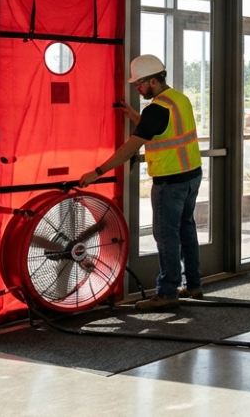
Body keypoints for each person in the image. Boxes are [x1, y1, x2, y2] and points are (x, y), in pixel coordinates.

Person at [79, 54, 203, 311]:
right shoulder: (178, 99)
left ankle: (168, 292)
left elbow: (129, 149)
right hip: (192, 175)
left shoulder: (157, 108)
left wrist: (97, 172)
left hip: (170, 182)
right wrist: (135, 116)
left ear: (154, 81)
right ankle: (193, 284)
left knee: (166, 236)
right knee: (186, 230)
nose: (137, 88)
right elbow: (160, 130)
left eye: (140, 84)